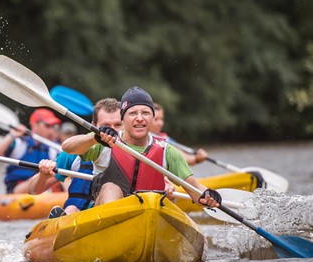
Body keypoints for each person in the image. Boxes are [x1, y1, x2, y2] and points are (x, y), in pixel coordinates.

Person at [62, 86, 221, 208]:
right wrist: (93, 139)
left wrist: (208, 196)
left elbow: (196, 192)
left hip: (149, 215)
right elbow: (67, 147)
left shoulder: (167, 151)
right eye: (133, 113)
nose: (139, 118)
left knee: (166, 197)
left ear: (152, 118)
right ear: (123, 120)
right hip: (108, 217)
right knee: (110, 187)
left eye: (145, 113)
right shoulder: (105, 140)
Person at [27, 98, 124, 218]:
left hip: (109, 214)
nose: (111, 130)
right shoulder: (75, 152)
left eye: (118, 125)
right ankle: (63, 218)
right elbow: (33, 190)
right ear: (93, 126)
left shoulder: (133, 154)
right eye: (105, 126)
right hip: (76, 218)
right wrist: (43, 175)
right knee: (71, 208)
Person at [0, 108, 61, 194]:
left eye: (53, 127)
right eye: (47, 126)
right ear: (34, 125)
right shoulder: (20, 143)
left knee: (61, 177)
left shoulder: (53, 147)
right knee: (37, 181)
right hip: (18, 189)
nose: (51, 130)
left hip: (42, 187)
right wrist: (11, 135)